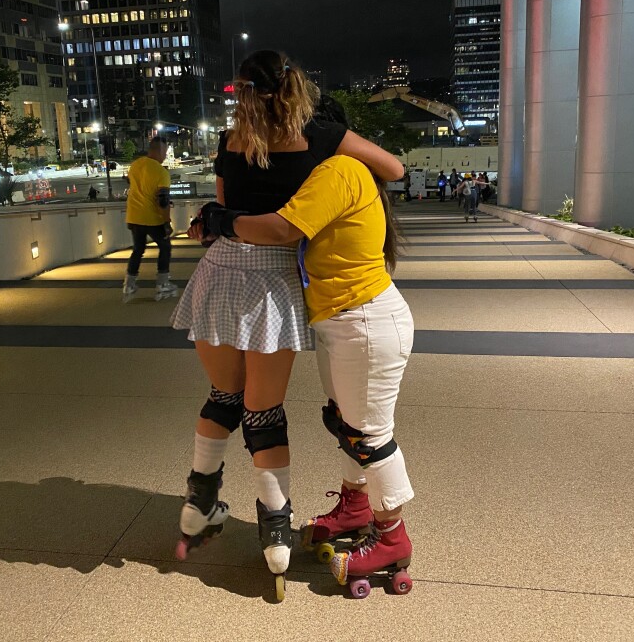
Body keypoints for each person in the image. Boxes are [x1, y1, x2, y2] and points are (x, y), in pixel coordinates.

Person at [168, 50, 405, 599]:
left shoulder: (230, 141)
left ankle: (198, 502)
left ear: (242, 93)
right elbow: (394, 168)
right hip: (274, 286)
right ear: (294, 84)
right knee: (263, 410)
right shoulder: (321, 135)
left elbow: (228, 216)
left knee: (223, 396)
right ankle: (275, 529)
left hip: (218, 276)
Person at [198, 152, 416, 599]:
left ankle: (392, 535)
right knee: (345, 424)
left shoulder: (339, 170)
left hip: (366, 323)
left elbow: (282, 228)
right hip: (342, 322)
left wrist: (221, 220)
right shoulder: (331, 172)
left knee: (370, 436)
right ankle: (355, 507)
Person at [123, 137, 176, 302]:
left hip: (133, 216)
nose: (165, 156)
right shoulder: (161, 172)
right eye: (165, 152)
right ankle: (162, 284)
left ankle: (129, 285)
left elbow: (141, 189)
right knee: (165, 247)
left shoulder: (135, 165)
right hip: (152, 218)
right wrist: (166, 222)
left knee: (138, 250)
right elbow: (162, 200)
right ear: (159, 151)